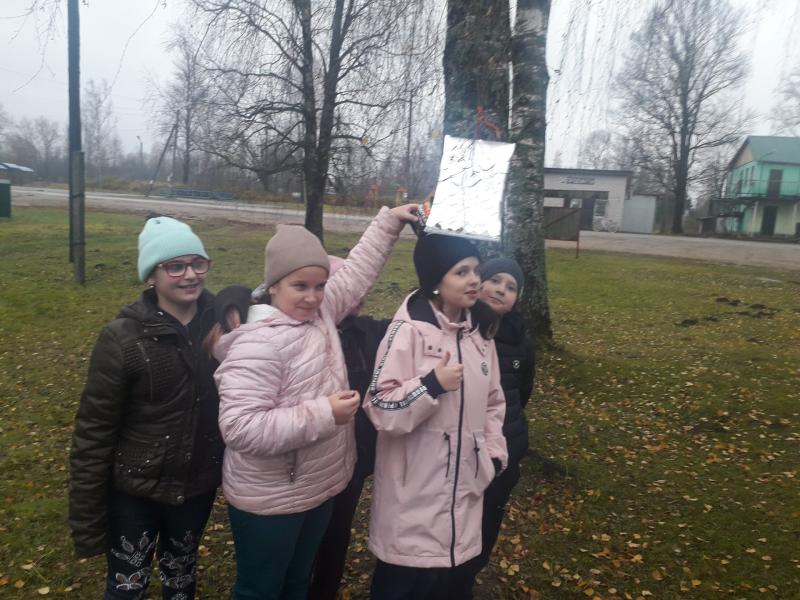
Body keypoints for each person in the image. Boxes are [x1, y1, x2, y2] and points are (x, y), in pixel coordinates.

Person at [212, 205, 417, 600]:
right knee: (260, 590)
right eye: (300, 286)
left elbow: (357, 271)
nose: (312, 297)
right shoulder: (257, 343)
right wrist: (325, 414)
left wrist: (391, 220)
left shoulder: (320, 314)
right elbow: (240, 428)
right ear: (274, 286)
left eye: (320, 285)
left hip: (318, 489)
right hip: (270, 502)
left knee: (296, 584)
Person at [69, 215, 224, 600]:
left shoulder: (223, 325)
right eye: (175, 266)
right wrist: (87, 521)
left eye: (198, 263)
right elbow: (94, 431)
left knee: (181, 579)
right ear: (151, 274)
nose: (190, 275)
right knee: (128, 585)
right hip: (135, 491)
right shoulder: (122, 339)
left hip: (196, 487)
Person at [364, 233, 508, 600]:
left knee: (445, 586)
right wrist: (430, 385)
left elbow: (494, 403)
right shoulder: (408, 331)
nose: (474, 280)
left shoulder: (480, 335)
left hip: (464, 493)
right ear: (435, 282)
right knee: (401, 587)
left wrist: (492, 455)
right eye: (461, 272)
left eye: (475, 270)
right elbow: (379, 405)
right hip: (412, 499)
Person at [450, 257, 535, 598]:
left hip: (504, 451)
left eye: (511, 287)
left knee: (486, 525)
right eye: (495, 280)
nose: (501, 290)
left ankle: (465, 583)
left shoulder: (520, 340)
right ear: (478, 283)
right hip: (460, 450)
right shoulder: (458, 326)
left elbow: (523, 391)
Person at [308, 257, 391, 600]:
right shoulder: (303, 330)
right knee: (305, 537)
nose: (357, 297)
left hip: (352, 461)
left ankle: (324, 590)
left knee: (337, 533)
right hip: (309, 459)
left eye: (359, 291)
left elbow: (412, 323)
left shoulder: (368, 332)